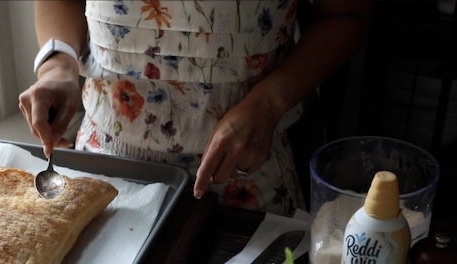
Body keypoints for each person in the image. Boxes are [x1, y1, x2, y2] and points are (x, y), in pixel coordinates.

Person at [19, 0, 372, 216]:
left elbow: (345, 14)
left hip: (246, 170)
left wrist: (269, 103)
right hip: (105, 162)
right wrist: (57, 66)